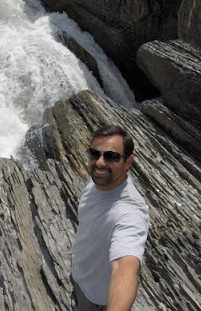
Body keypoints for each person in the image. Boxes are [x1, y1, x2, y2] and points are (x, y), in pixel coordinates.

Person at [71, 124, 150, 311]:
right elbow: (92, 222)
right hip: (80, 270)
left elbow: (126, 267)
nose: (99, 162)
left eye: (111, 156)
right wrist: (83, 247)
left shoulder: (129, 213)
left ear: (128, 162)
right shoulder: (98, 179)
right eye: (94, 153)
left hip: (95, 297)